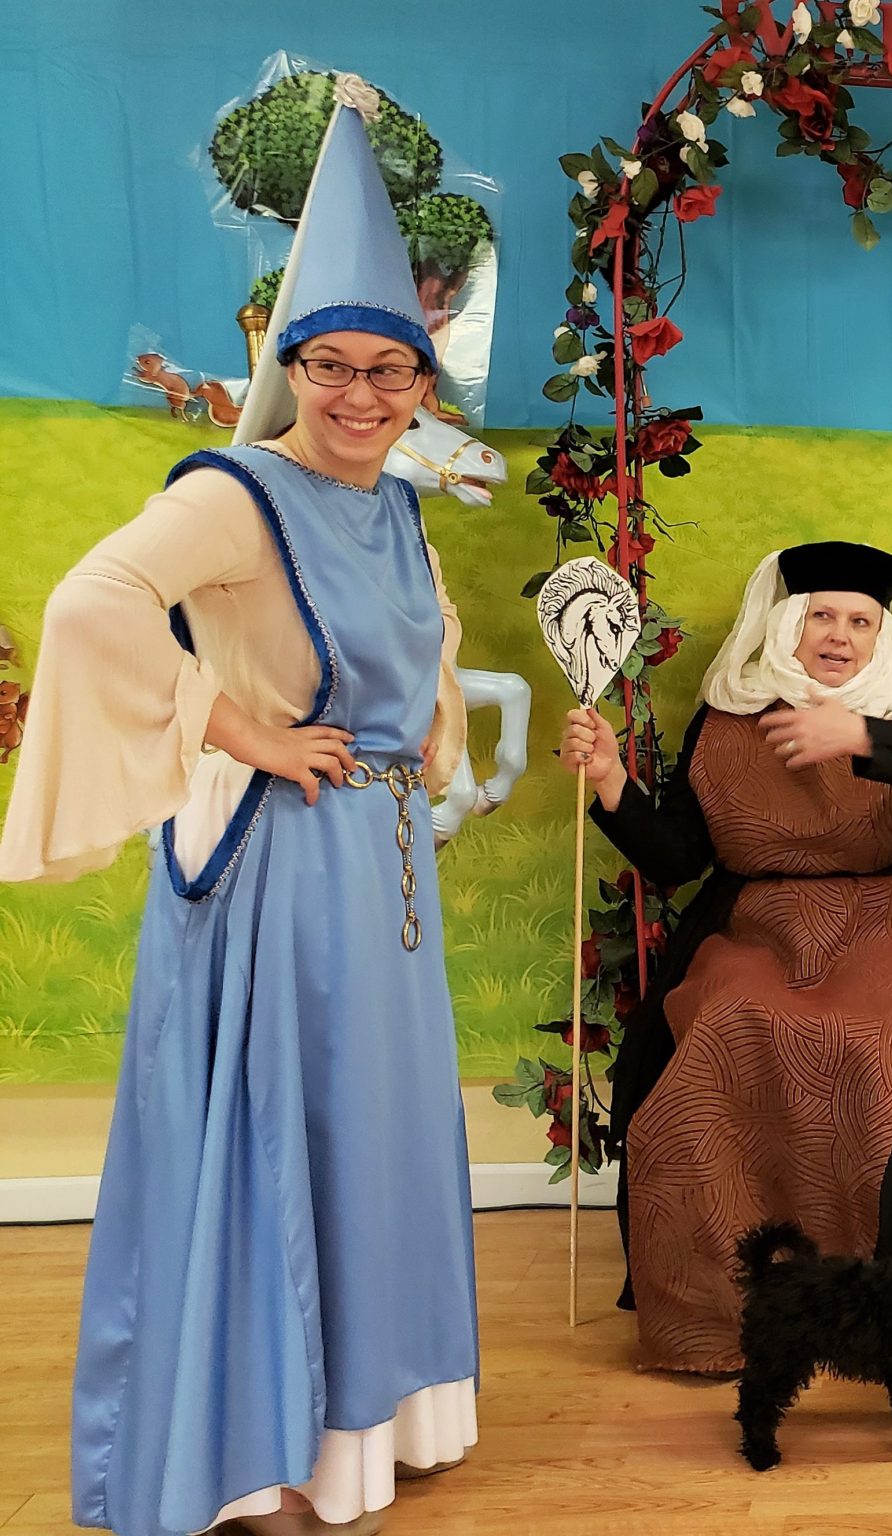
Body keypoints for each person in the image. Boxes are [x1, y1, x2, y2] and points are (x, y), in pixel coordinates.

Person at [0, 77, 480, 1536]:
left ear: (422, 383)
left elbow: (426, 654)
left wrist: (424, 759)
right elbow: (94, 603)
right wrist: (243, 731)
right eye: (328, 366)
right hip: (278, 865)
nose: (357, 396)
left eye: (386, 371)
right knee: (285, 1130)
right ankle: (258, 1448)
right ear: (288, 366)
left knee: (373, 1134)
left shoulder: (400, 504)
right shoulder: (236, 490)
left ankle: (365, 1428)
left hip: (381, 868)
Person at [558, 542, 892, 1374]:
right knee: (722, 1028)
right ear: (789, 622)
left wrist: (858, 732)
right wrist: (613, 780)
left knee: (865, 1047)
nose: (840, 636)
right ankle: (718, 1313)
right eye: (822, 616)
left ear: (881, 636)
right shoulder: (727, 712)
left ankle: (862, 1308)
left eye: (860, 622)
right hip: (753, 921)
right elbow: (678, 858)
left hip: (880, 918)